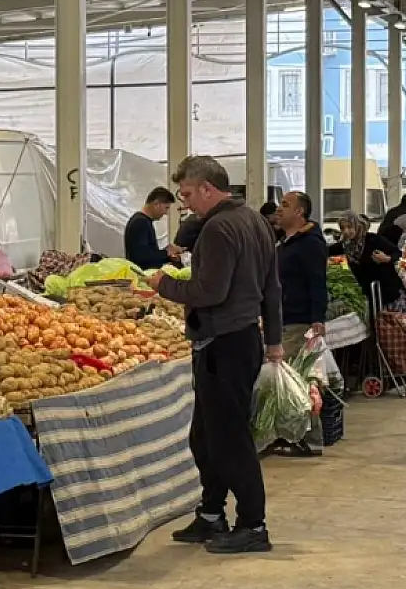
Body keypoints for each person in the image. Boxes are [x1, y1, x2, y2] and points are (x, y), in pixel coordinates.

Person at [148, 156, 282, 555]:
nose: (185, 203)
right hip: (239, 340)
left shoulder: (218, 229)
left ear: (207, 188)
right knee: (205, 436)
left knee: (229, 438)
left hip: (223, 343)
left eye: (187, 195)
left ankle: (253, 524)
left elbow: (210, 292)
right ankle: (211, 513)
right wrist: (273, 338)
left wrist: (164, 285)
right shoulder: (255, 221)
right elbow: (272, 287)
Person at [274, 191, 327, 457]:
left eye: (285, 205)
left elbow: (317, 282)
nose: (278, 209)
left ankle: (310, 438)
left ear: (300, 212)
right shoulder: (287, 241)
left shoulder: (310, 244)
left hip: (300, 321)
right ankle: (293, 435)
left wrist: (317, 319)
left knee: (300, 381)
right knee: (289, 382)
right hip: (286, 318)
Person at [336, 211, 405, 311]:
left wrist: (387, 258)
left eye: (350, 227)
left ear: (357, 226)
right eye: (343, 228)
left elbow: (398, 253)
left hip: (386, 292)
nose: (346, 231)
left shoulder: (373, 240)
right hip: (368, 295)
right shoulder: (344, 245)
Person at [123, 187, 181, 270]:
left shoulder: (144, 221)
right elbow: (141, 257)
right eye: (166, 208)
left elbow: (148, 253)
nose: (166, 213)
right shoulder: (140, 222)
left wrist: (168, 255)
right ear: (156, 204)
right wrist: (166, 253)